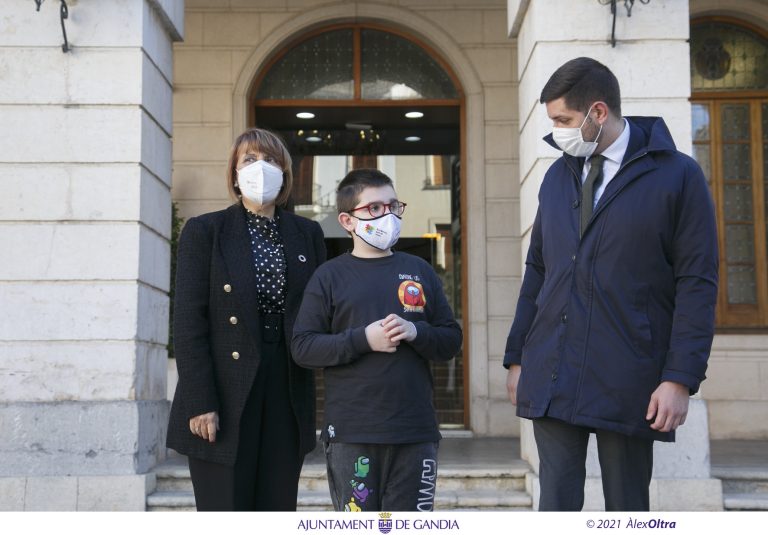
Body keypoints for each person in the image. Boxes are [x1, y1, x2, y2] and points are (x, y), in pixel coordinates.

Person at [503, 57, 718, 511]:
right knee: (555, 506)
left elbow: (696, 283)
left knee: (626, 508)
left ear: (598, 112)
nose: (556, 131)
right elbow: (538, 270)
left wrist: (680, 378)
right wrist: (518, 356)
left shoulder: (678, 175)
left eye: (563, 120)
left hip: (629, 375)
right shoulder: (557, 176)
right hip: (552, 369)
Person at [166, 128, 326, 511]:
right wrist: (200, 401)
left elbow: (321, 310)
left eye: (270, 160)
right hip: (223, 389)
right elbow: (188, 322)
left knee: (277, 505)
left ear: (285, 173)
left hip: (286, 383)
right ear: (235, 174)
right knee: (226, 507)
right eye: (250, 159)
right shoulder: (206, 230)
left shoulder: (307, 233)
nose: (261, 167)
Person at [292, 168, 462, 512]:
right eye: (374, 208)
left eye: (393, 205)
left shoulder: (420, 270)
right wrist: (363, 340)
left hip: (415, 432)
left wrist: (416, 331)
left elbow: (451, 339)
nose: (388, 215)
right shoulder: (329, 276)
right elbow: (304, 347)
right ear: (347, 220)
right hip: (352, 434)